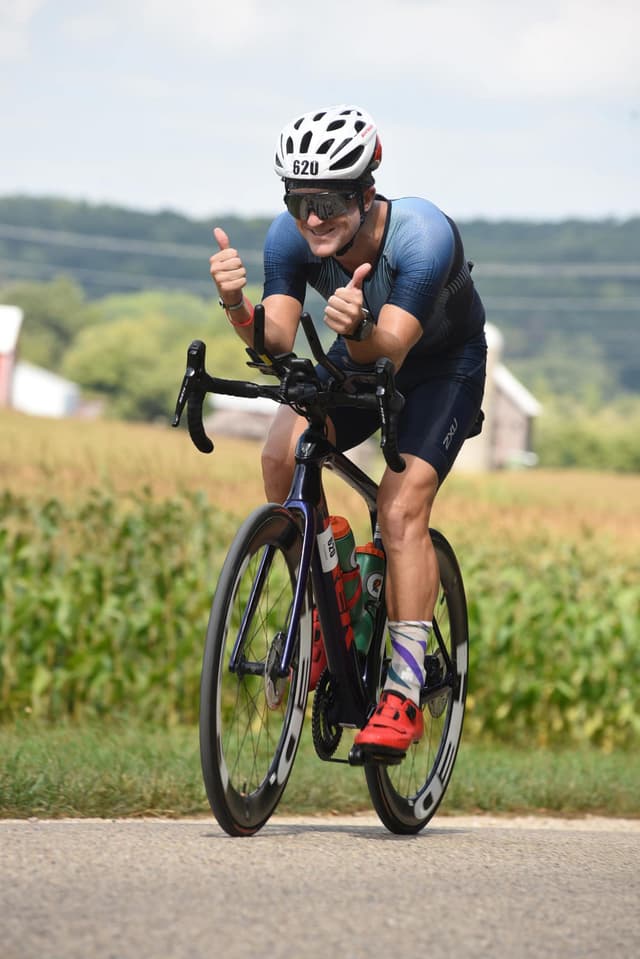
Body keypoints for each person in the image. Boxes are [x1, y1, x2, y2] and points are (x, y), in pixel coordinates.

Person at [209, 104, 486, 756]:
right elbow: (276, 338)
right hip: (361, 344)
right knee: (283, 448)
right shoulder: (290, 237)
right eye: (299, 198)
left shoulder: (423, 237)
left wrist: (358, 326)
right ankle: (324, 603)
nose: (312, 218)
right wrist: (235, 305)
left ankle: (403, 691)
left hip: (438, 367)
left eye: (329, 199)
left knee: (398, 507)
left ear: (366, 193)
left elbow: (388, 345)